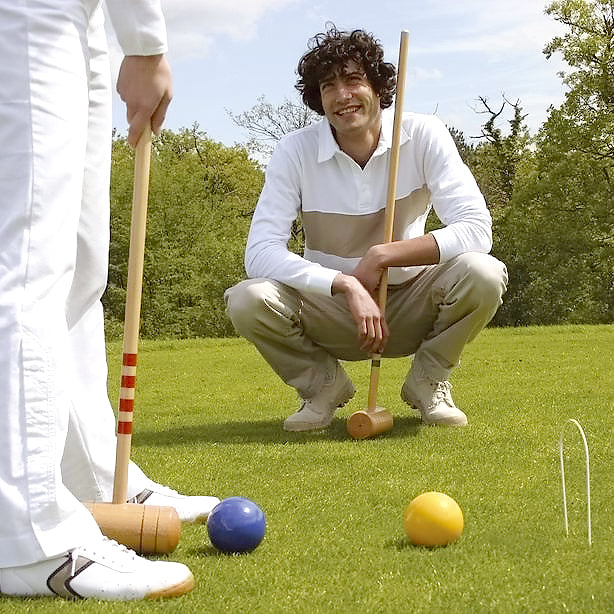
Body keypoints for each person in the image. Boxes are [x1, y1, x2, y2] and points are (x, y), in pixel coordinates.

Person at [0, 0, 219, 601]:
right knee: (27, 265)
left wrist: (128, 35)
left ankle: (97, 481)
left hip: (85, 19)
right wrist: (146, 42)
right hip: (26, 13)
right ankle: (27, 535)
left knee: (80, 268)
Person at [225, 26, 508, 432]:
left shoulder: (424, 134)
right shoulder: (294, 151)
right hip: (335, 312)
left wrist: (382, 255)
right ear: (318, 99)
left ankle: (428, 381)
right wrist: (346, 283)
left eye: (354, 79)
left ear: (378, 88)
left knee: (483, 273)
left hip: (413, 303)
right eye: (328, 86)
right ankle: (322, 387)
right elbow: (259, 253)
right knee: (247, 299)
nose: (342, 95)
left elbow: (477, 229)